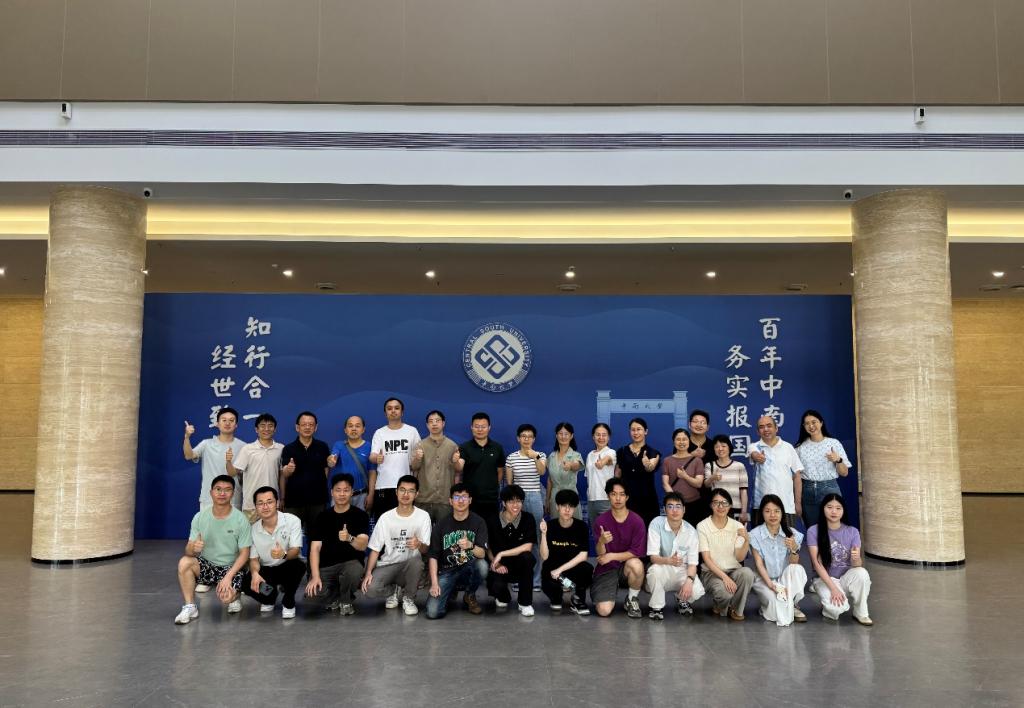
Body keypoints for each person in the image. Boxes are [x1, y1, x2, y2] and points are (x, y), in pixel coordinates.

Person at [174, 475, 251, 624]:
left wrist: (228, 577)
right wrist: (193, 548)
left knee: (226, 598)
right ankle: (190, 606)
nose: (222, 493)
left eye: (227, 490)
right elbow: (188, 551)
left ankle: (235, 596)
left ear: (233, 493)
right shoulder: (200, 517)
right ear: (211, 492)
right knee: (185, 562)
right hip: (208, 565)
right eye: (218, 489)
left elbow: (244, 554)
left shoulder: (241, 520)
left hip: (231, 567)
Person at [361, 475, 432, 616]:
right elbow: (375, 549)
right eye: (402, 490)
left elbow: (426, 549)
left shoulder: (423, 516)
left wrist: (419, 544)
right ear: (396, 492)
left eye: (411, 491)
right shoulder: (386, 517)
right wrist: (368, 572)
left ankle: (409, 598)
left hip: (410, 566)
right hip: (388, 565)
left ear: (417, 494)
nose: (406, 494)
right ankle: (394, 591)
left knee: (417, 562)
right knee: (369, 589)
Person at [304, 473, 370, 615]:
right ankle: (335, 595)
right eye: (338, 490)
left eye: (346, 490)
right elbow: (315, 549)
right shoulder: (322, 517)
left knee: (353, 571)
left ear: (352, 492)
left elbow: (363, 545)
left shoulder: (360, 515)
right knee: (311, 597)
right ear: (332, 492)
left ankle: (346, 600)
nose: (342, 494)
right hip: (326, 567)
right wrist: (315, 576)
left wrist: (349, 538)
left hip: (350, 565)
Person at [807, 493, 873, 626]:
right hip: (825, 580)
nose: (834, 511)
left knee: (862, 573)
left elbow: (858, 565)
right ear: (823, 509)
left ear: (843, 511)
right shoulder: (813, 531)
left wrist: (856, 559)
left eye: (838, 508)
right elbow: (817, 564)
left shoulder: (852, 531)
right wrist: (833, 589)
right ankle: (828, 604)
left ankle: (861, 612)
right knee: (836, 610)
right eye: (829, 507)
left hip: (845, 579)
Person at [426, 483, 489, 619]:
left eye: (464, 497)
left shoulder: (479, 522)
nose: (460, 501)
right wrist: (435, 583)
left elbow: (482, 554)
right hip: (447, 571)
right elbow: (433, 556)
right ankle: (449, 592)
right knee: (433, 612)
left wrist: (470, 546)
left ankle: (469, 595)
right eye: (456, 497)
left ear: (470, 500)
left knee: (482, 566)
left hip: (468, 568)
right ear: (450, 501)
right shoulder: (441, 525)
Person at [241, 486, 305, 619]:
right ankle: (270, 596)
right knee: (245, 582)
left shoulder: (292, 520)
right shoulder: (253, 530)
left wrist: (284, 554)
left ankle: (288, 601)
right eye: (260, 503)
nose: (265, 506)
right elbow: (253, 559)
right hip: (266, 569)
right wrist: (254, 573)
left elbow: (296, 550)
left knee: (298, 566)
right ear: (256, 507)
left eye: (269, 502)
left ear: (277, 503)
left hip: (286, 565)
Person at [644, 492, 706, 621]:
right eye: (670, 506)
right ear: (664, 509)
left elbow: (693, 564)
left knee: (696, 590)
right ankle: (656, 607)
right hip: (662, 566)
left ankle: (681, 598)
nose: (674, 510)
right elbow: (653, 557)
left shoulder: (691, 531)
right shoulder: (656, 524)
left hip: (682, 570)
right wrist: (668, 560)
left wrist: (689, 581)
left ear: (684, 509)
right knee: (654, 571)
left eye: (678, 506)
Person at [591, 479, 647, 618]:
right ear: (608, 496)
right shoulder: (601, 521)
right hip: (606, 568)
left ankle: (631, 599)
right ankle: (604, 590)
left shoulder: (637, 521)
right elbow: (600, 555)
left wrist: (612, 556)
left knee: (636, 564)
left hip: (626, 568)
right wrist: (601, 542)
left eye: (622, 494)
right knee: (604, 611)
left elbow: (637, 552)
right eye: (613, 494)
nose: (617, 498)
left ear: (627, 497)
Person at [749, 494, 808, 626]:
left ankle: (791, 604)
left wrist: (793, 549)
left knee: (797, 569)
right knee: (776, 613)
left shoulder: (791, 533)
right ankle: (781, 606)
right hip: (765, 580)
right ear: (762, 513)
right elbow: (759, 564)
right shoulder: (754, 535)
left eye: (776, 511)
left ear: (782, 513)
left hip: (785, 579)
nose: (773, 515)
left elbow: (794, 563)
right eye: (768, 511)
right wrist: (772, 585)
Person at [698, 488, 755, 621]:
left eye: (724, 503)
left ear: (730, 506)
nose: (720, 506)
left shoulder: (738, 526)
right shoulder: (702, 526)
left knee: (747, 573)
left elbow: (739, 558)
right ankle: (721, 605)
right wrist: (725, 578)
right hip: (711, 573)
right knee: (725, 593)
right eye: (716, 503)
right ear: (711, 505)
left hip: (733, 570)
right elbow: (707, 559)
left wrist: (746, 541)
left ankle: (736, 609)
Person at [795, 409, 853, 528]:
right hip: (807, 491)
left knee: (833, 529)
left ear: (821, 423)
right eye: (807, 423)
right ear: (803, 426)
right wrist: (797, 502)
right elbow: (796, 476)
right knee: (813, 530)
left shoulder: (833, 443)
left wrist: (838, 460)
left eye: (814, 422)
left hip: (829, 488)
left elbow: (844, 473)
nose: (811, 426)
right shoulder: (800, 447)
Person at [486, 485, 538, 616]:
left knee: (528, 558)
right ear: (504, 503)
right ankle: (504, 596)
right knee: (497, 589)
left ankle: (525, 603)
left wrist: (502, 553)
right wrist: (496, 562)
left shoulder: (528, 518)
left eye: (519, 501)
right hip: (501, 566)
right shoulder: (492, 520)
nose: (516, 505)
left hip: (520, 565)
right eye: (511, 501)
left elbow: (528, 547)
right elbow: (488, 548)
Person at [182, 406, 247, 511]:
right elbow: (189, 455)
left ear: (236, 425)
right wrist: (187, 437)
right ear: (217, 423)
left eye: (231, 420)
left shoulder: (243, 447)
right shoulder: (206, 444)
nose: (227, 423)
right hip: (209, 500)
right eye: (224, 420)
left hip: (234, 500)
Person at [504, 423, 546, 587]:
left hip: (535, 497)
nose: (526, 439)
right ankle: (517, 578)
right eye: (523, 436)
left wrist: (535, 456)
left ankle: (536, 579)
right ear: (518, 438)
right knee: (517, 538)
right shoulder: (511, 458)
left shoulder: (540, 455)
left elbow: (542, 472)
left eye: (529, 436)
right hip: (516, 500)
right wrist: (511, 502)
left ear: (534, 439)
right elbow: (509, 483)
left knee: (536, 537)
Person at [538, 489, 592, 615]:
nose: (567, 510)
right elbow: (545, 556)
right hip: (553, 569)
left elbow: (583, 556)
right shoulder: (550, 526)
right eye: (564, 506)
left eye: (571, 506)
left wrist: (560, 570)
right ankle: (556, 596)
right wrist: (544, 534)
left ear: (574, 508)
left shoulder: (581, 527)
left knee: (587, 569)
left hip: (572, 568)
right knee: (555, 601)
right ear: (557, 507)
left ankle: (578, 598)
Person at [280, 411, 331, 540]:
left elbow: (326, 470)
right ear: (297, 427)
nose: (307, 427)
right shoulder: (289, 448)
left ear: (316, 427)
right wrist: (289, 469)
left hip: (318, 501)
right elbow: (284, 473)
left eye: (311, 424)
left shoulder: (322, 447)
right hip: (294, 502)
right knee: (291, 538)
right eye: (304, 424)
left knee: (317, 538)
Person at [368, 397, 421, 521]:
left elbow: (418, 460)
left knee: (406, 524)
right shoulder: (379, 433)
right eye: (389, 408)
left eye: (397, 408)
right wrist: (377, 458)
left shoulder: (412, 431)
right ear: (385, 413)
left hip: (406, 487)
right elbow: (372, 456)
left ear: (402, 412)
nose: (393, 411)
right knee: (384, 525)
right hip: (384, 487)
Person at [227, 413, 284, 522]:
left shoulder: (280, 448)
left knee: (273, 532)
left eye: (270, 426)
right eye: (262, 426)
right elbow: (232, 473)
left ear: (275, 429)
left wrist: (282, 498)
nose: (266, 429)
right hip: (251, 505)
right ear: (256, 429)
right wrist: (228, 462)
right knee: (250, 533)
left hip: (273, 504)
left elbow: (282, 476)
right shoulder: (247, 449)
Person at [748, 416, 803, 528]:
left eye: (769, 426)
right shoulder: (754, 447)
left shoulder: (788, 448)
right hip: (761, 507)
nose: (766, 429)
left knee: (788, 538)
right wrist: (756, 456)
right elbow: (753, 454)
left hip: (786, 506)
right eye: (761, 427)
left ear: (776, 428)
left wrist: (798, 503)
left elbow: (797, 476)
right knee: (759, 538)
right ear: (758, 432)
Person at [409, 410, 460, 523]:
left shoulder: (452, 446)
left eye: (437, 421)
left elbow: (458, 470)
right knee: (422, 532)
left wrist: (455, 461)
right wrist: (417, 458)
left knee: (444, 532)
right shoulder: (420, 445)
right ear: (427, 425)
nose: (434, 424)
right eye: (431, 421)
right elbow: (414, 467)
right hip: (423, 499)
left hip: (444, 500)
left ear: (443, 423)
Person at [455, 412, 506, 521]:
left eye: (483, 426)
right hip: (470, 499)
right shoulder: (464, 447)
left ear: (489, 428)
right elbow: (459, 468)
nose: (480, 429)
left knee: (491, 528)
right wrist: (455, 461)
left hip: (491, 499)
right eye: (477, 426)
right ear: (471, 428)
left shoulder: (497, 447)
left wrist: (493, 486)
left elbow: (500, 471)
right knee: (471, 528)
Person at [615, 417, 662, 526]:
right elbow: (617, 474)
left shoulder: (653, 452)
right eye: (633, 430)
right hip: (627, 500)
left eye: (639, 429)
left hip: (647, 501)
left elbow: (651, 467)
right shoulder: (622, 451)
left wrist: (647, 465)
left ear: (646, 431)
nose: (636, 433)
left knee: (648, 530)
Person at [327, 415, 374, 511]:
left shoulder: (369, 447)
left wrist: (371, 495)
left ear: (363, 429)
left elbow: (372, 472)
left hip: (361, 496)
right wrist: (330, 461)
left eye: (357, 426)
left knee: (360, 521)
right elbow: (332, 459)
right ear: (345, 430)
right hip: (340, 495)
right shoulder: (339, 445)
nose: (354, 429)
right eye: (350, 426)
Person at [660, 428, 705, 524]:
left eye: (684, 439)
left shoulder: (697, 460)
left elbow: (699, 483)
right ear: (674, 442)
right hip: (674, 506)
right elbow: (665, 483)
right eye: (678, 439)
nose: (681, 442)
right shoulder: (667, 460)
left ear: (689, 441)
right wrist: (675, 501)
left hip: (694, 504)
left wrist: (685, 476)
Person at [703, 434, 749, 524]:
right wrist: (712, 478)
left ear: (729, 448)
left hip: (735, 507)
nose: (720, 449)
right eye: (717, 447)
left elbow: (743, 491)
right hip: (717, 508)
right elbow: (706, 485)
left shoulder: (739, 466)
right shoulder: (710, 465)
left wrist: (744, 511)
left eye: (723, 446)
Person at [546, 422, 584, 519]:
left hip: (571, 495)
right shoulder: (551, 456)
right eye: (560, 433)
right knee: (556, 525)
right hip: (555, 497)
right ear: (556, 435)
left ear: (571, 436)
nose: (563, 436)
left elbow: (577, 465)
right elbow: (550, 480)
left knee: (574, 525)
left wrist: (570, 465)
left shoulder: (576, 455)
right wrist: (547, 500)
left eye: (566, 434)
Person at [687, 409, 715, 523]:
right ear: (689, 425)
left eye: (702, 422)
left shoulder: (714, 445)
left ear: (708, 427)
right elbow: (676, 466)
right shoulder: (682, 444)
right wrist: (691, 455)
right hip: (687, 494)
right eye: (695, 421)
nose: (699, 425)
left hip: (709, 495)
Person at [585, 423, 616, 522]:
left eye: (604, 435)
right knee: (595, 529)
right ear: (593, 437)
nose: (601, 438)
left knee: (608, 529)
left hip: (606, 499)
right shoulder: (590, 455)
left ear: (608, 437)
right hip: (591, 499)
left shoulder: (611, 452)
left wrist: (602, 462)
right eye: (598, 435)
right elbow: (588, 477)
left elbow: (608, 459)